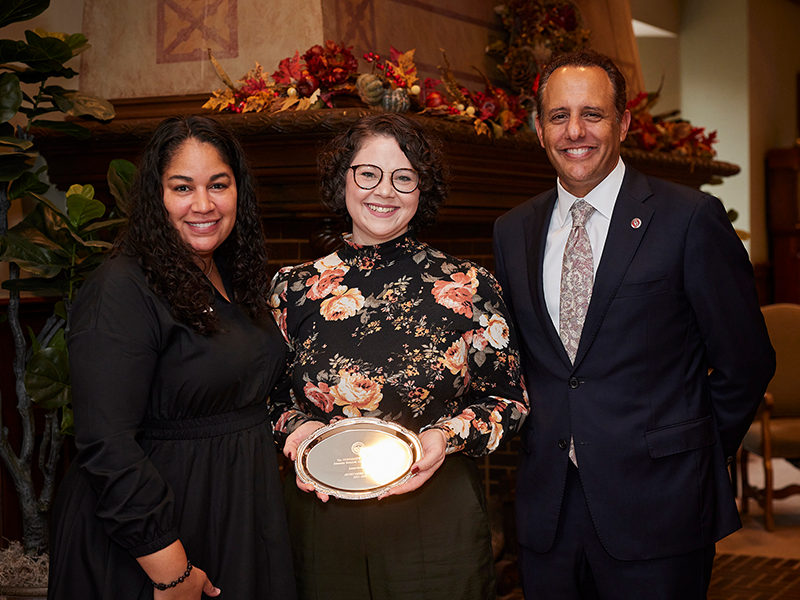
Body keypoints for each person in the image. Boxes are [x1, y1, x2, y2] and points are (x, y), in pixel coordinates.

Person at [493, 50, 777, 599]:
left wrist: (688, 452)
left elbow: (747, 361)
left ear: (623, 123)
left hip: (661, 506)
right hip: (547, 512)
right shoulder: (512, 231)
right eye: (558, 116)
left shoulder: (690, 218)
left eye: (593, 114)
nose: (575, 131)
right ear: (538, 128)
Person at [269, 113, 529, 600]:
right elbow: (265, 399)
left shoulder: (469, 286)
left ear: (420, 190)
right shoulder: (293, 287)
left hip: (435, 511)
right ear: (342, 177)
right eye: (368, 173)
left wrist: (445, 435)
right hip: (321, 516)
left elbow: (509, 399)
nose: (383, 191)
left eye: (403, 177)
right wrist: (296, 428)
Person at [48, 116, 297, 600]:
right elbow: (105, 443)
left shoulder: (231, 273)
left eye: (218, 185)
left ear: (238, 192)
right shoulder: (121, 288)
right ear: (154, 197)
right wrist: (170, 570)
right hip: (154, 541)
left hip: (234, 512)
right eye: (182, 187)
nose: (202, 205)